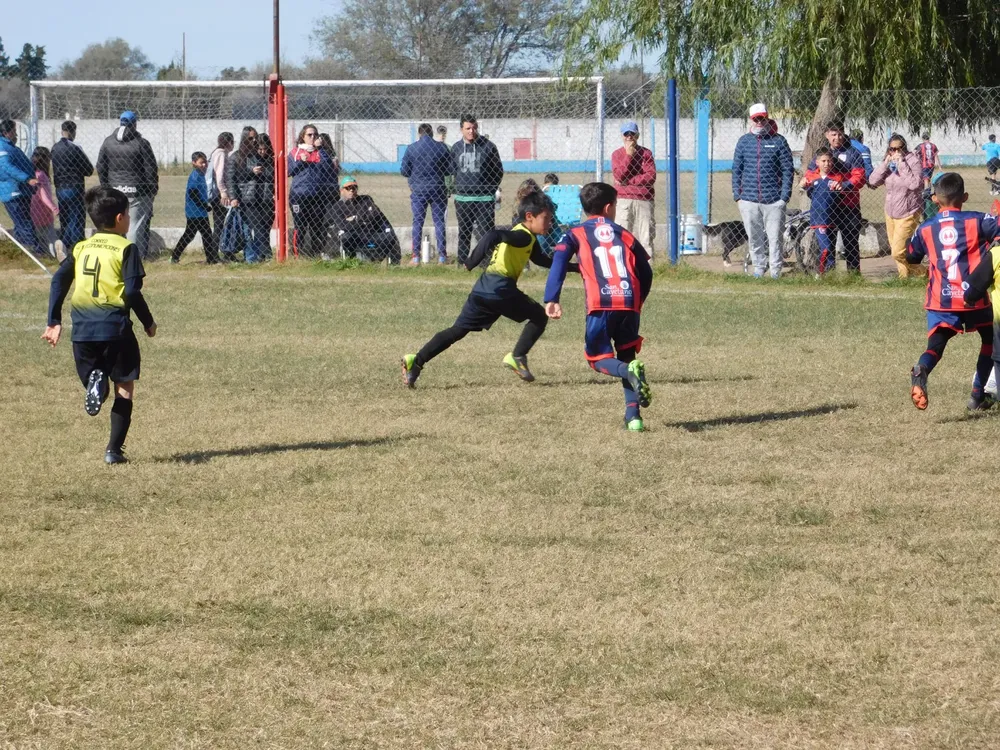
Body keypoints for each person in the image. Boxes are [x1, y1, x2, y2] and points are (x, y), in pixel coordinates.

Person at [400, 191, 568, 387]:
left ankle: (416, 361)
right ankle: (517, 356)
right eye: (546, 218)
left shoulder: (526, 236)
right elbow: (493, 235)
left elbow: (541, 260)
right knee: (539, 316)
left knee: (458, 330)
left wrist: (576, 267)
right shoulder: (522, 235)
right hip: (500, 290)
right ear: (530, 216)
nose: (549, 223)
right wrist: (471, 261)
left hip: (482, 289)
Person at [42, 186, 157, 464]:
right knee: (124, 386)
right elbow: (132, 292)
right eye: (128, 214)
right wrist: (148, 321)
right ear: (120, 218)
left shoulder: (81, 247)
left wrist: (54, 320)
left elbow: (58, 280)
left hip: (82, 330)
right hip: (115, 328)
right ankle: (113, 451)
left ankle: (97, 381)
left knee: (94, 376)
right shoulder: (126, 248)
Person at [543, 182, 654, 432]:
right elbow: (645, 271)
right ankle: (634, 417)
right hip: (628, 302)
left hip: (600, 304)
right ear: (608, 208)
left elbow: (559, 260)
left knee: (597, 359)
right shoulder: (623, 233)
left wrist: (552, 298)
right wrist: (639, 301)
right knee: (627, 354)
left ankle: (627, 373)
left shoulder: (575, 233)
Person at [904, 173, 1000, 412]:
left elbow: (911, 256)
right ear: (964, 197)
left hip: (941, 300)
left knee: (935, 346)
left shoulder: (926, 228)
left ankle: (922, 369)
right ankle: (977, 395)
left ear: (935, 199)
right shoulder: (978, 220)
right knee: (990, 340)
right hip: (974, 298)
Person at [731, 103, 794, 275]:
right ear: (751, 120)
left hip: (774, 200)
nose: (759, 122)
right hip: (748, 200)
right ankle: (758, 269)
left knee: (775, 239)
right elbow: (737, 169)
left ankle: (775, 271)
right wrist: (738, 195)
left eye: (762, 118)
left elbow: (787, 170)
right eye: (756, 119)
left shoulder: (779, 141)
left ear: (767, 118)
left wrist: (784, 197)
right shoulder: (744, 141)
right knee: (754, 238)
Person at [803, 120, 867, 273]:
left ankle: (853, 276)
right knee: (828, 244)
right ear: (827, 135)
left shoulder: (853, 153)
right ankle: (829, 275)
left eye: (839, 134)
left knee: (851, 243)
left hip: (848, 206)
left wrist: (844, 185)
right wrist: (811, 187)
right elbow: (810, 174)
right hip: (827, 208)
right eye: (833, 134)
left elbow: (859, 177)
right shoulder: (822, 154)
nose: (837, 138)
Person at [96, 111, 158, 260]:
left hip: (115, 190)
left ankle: (115, 255)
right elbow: (150, 168)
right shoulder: (141, 143)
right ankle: (132, 258)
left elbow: (101, 166)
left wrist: (106, 187)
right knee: (135, 226)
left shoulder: (108, 142)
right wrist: (152, 188)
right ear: (134, 124)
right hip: (137, 191)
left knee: (115, 224)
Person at [868, 133, 925, 278]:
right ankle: (904, 277)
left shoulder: (913, 161)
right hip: (890, 212)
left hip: (908, 212)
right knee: (895, 248)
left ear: (904, 148)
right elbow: (872, 181)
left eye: (900, 148)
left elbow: (914, 184)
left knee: (897, 251)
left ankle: (924, 272)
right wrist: (885, 164)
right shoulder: (888, 163)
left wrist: (902, 164)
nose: (896, 152)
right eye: (892, 149)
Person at [451, 115, 504, 266]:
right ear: (461, 129)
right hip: (463, 199)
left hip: (484, 199)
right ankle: (462, 262)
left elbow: (498, 171)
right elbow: (451, 170)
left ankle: (486, 263)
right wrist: (457, 187)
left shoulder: (489, 146)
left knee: (486, 233)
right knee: (464, 232)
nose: (471, 131)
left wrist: (490, 189)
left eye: (474, 128)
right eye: (468, 128)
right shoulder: (456, 148)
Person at [401, 123, 452, 264]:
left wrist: (415, 174)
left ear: (419, 134)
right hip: (438, 188)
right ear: (431, 133)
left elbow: (404, 171)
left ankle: (416, 256)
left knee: (418, 222)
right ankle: (442, 256)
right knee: (439, 221)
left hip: (418, 190)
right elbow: (450, 169)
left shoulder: (411, 148)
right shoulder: (441, 147)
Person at [288, 123, 336, 259]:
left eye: (315, 135)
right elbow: (288, 171)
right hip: (299, 196)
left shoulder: (320, 152)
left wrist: (320, 148)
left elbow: (329, 168)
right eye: (309, 135)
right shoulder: (295, 152)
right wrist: (301, 162)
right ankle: (297, 254)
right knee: (300, 226)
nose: (313, 137)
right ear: (303, 137)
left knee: (317, 227)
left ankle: (316, 254)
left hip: (317, 196)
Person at [329, 175, 400, 264]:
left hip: (371, 233)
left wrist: (355, 219)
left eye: (354, 187)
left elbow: (377, 215)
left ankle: (392, 265)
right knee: (346, 237)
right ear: (342, 190)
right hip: (354, 236)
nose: (351, 190)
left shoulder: (366, 200)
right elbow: (342, 226)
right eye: (348, 188)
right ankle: (350, 263)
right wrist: (363, 220)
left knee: (391, 236)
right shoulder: (337, 207)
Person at [611, 120, 656, 258]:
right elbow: (619, 175)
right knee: (622, 235)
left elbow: (650, 177)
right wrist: (629, 155)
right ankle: (623, 263)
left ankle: (648, 266)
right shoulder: (617, 154)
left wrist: (628, 181)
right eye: (626, 134)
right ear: (622, 136)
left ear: (638, 135)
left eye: (632, 134)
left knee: (646, 237)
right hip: (624, 198)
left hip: (644, 198)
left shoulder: (646, 153)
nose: (629, 137)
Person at [227, 128, 273, 263]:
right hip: (247, 198)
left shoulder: (259, 155)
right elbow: (232, 178)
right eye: (250, 139)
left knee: (262, 228)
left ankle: (259, 255)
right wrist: (233, 197)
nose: (254, 141)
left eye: (255, 138)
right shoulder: (237, 156)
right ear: (244, 139)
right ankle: (260, 255)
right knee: (253, 228)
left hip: (263, 198)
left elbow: (270, 175)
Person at [51, 120, 94, 252]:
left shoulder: (55, 148)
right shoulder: (75, 147)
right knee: (77, 219)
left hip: (60, 187)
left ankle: (64, 246)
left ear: (62, 131)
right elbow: (89, 169)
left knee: (65, 218)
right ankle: (76, 248)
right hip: (75, 186)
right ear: (73, 132)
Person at [800, 148, 845, 274]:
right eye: (823, 161)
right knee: (825, 248)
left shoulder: (836, 177)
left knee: (831, 250)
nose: (826, 164)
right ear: (817, 162)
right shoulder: (812, 177)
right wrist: (803, 185)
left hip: (832, 219)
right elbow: (806, 190)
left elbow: (840, 196)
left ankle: (830, 275)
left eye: (829, 161)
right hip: (819, 219)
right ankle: (819, 274)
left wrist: (839, 188)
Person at [170, 151, 217, 264]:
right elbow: (192, 193)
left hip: (200, 212)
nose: (204, 165)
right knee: (204, 235)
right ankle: (211, 260)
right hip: (195, 212)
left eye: (205, 162)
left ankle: (175, 257)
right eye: (201, 162)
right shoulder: (195, 176)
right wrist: (204, 205)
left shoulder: (200, 174)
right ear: (194, 163)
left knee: (192, 235)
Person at [0, 119, 38, 252]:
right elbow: (7, 167)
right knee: (25, 224)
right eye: (14, 131)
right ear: (6, 132)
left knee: (20, 223)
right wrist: (27, 179)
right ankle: (34, 251)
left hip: (21, 190)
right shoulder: (2, 147)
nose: (16, 134)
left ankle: (22, 252)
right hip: (13, 190)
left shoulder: (10, 146)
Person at [30, 147, 59, 258]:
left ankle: (45, 255)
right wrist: (54, 208)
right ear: (46, 160)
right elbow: (44, 196)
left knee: (40, 236)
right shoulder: (42, 175)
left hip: (34, 209)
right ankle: (55, 255)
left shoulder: (33, 173)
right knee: (51, 236)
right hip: (44, 210)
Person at [207, 132, 234, 247]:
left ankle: (218, 250)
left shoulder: (218, 153)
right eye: (232, 142)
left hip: (218, 192)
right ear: (229, 143)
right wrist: (223, 192)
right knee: (220, 224)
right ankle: (215, 251)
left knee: (220, 223)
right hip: (219, 193)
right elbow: (220, 175)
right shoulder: (221, 154)